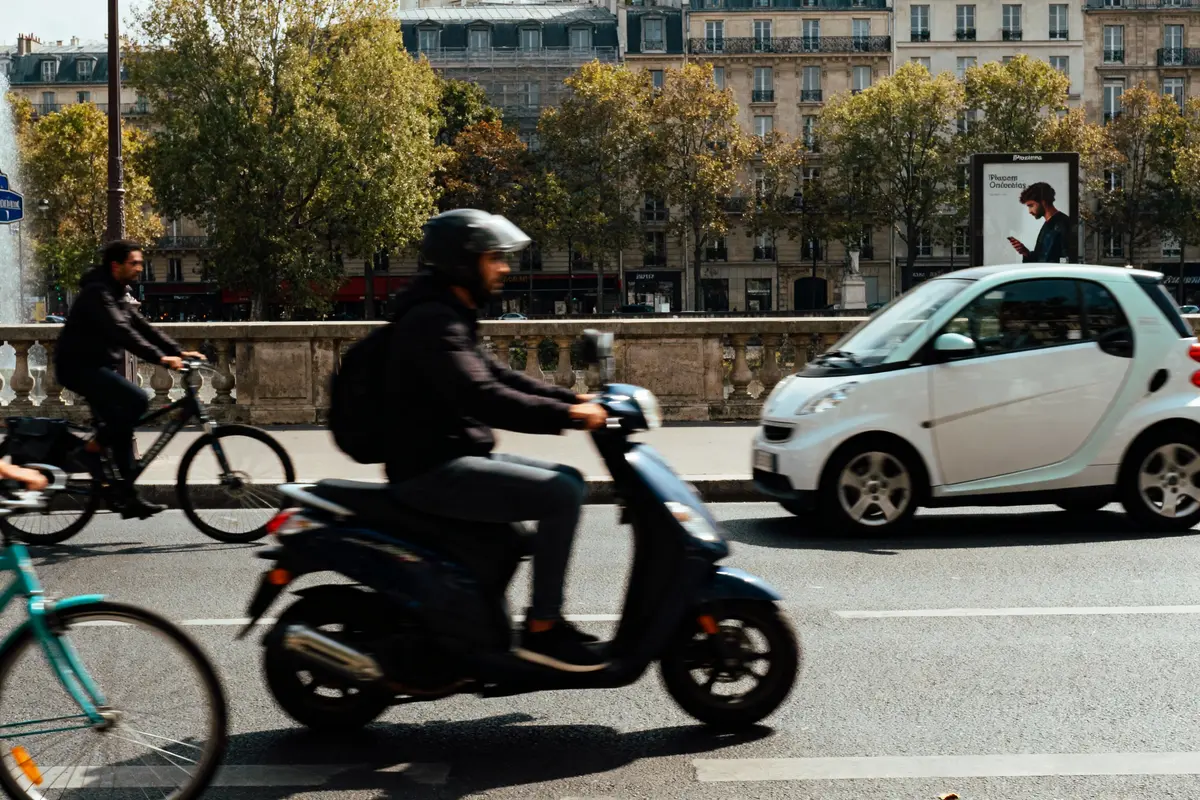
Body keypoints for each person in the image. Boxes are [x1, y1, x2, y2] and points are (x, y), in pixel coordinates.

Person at [385, 209, 610, 673]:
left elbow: (498, 376)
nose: (504, 268)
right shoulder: (433, 321)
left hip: (445, 457)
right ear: (463, 263)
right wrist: (569, 414)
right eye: (494, 258)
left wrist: (570, 397)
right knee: (562, 491)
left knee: (542, 505)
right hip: (433, 469)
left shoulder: (447, 312)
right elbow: (482, 395)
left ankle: (484, 629)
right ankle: (544, 629)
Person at [54, 240, 206, 519]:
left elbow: (143, 328)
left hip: (97, 367)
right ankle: (90, 451)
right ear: (116, 265)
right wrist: (161, 359)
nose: (139, 268)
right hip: (78, 368)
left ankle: (128, 497)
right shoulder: (98, 294)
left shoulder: (118, 292)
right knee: (137, 399)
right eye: (134, 263)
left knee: (122, 429)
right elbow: (123, 332)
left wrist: (178, 351)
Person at [1007, 182, 1072, 264]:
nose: (1030, 211)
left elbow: (1065, 260)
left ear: (1043, 202)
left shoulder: (1062, 224)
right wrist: (1025, 252)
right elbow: (1041, 259)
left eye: (1031, 206)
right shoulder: (1049, 224)